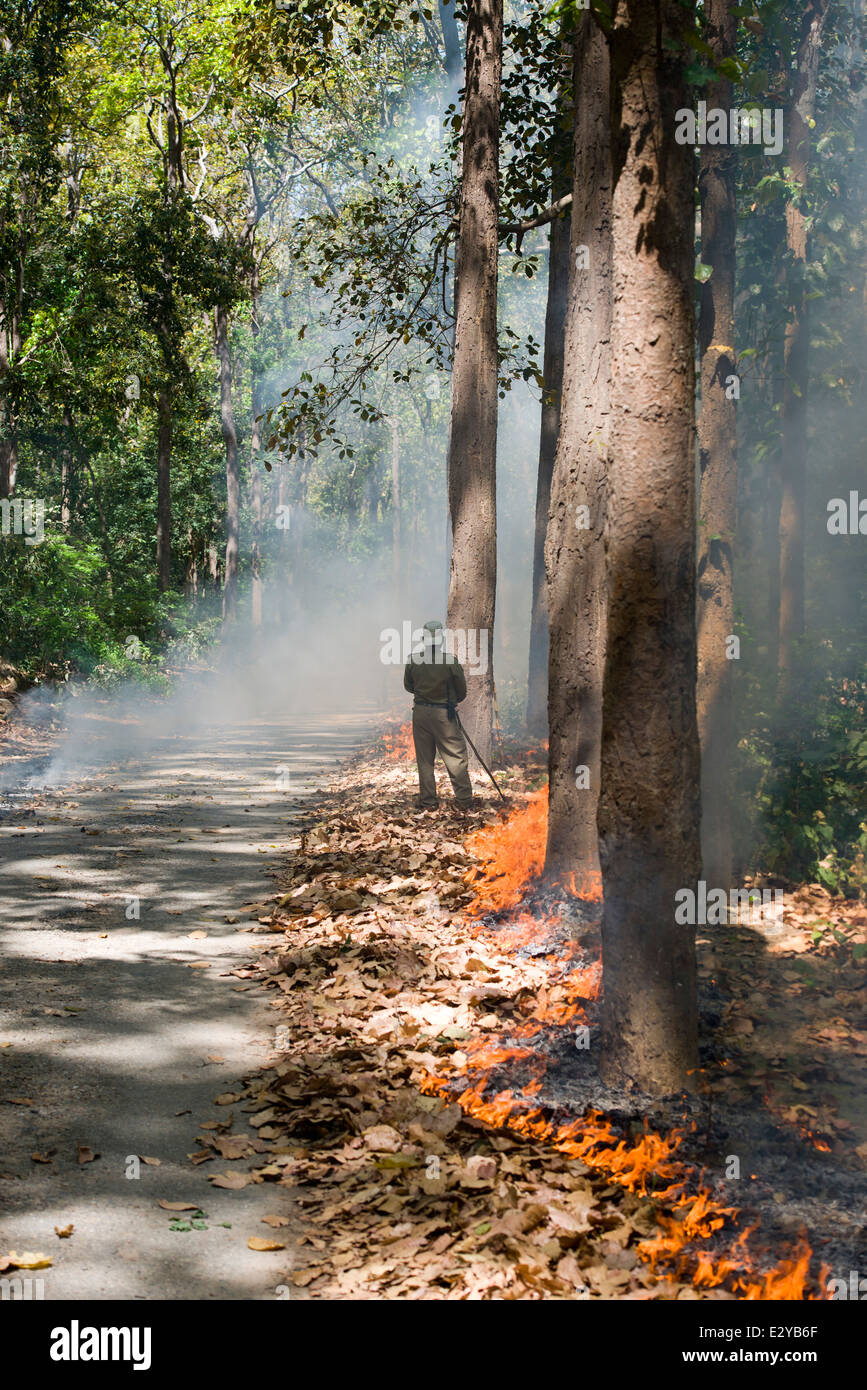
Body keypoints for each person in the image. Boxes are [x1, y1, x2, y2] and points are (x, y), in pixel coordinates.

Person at [403, 620, 474, 811]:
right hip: (444, 715)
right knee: (455, 757)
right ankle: (464, 802)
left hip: (420, 713)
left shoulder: (413, 659)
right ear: (440, 640)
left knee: (425, 760)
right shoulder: (449, 661)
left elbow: (409, 686)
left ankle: (428, 802)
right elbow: (462, 691)